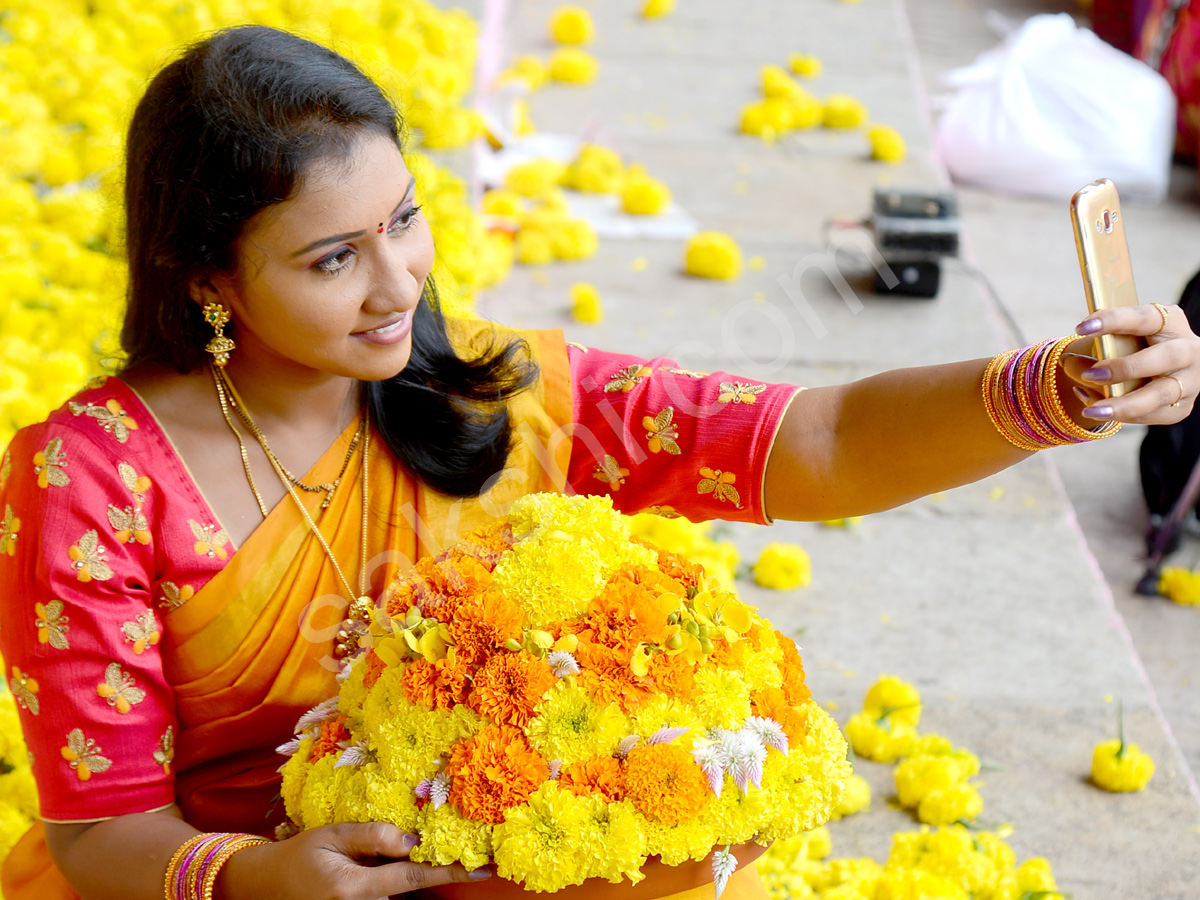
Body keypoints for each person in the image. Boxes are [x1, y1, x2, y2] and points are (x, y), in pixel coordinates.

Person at [1, 24, 1197, 900]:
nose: (399, 283)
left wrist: (1057, 390)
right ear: (208, 277)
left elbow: (818, 444)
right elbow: (101, 837)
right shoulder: (94, 482)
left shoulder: (492, 392)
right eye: (331, 260)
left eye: (404, 220)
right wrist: (264, 878)